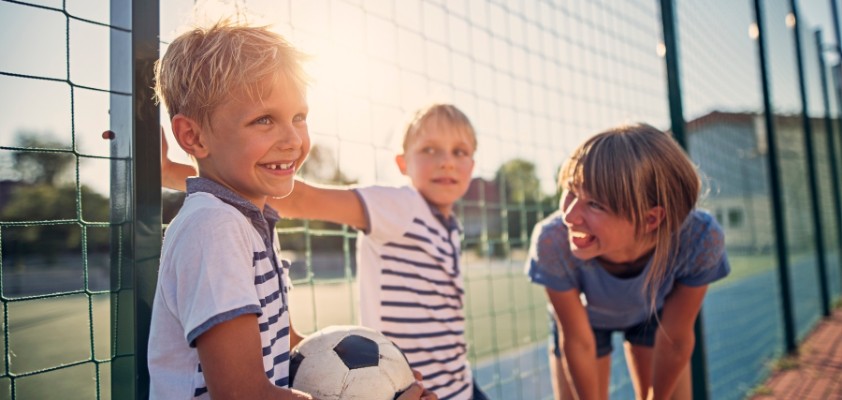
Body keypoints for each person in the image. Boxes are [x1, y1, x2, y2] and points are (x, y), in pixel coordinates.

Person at [148, 17, 433, 400]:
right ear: (193, 136)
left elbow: (285, 345)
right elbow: (243, 393)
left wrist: (383, 382)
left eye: (299, 117)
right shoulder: (213, 227)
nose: (293, 139)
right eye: (264, 119)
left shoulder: (248, 221)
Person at [162, 103, 485, 400]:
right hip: (405, 389)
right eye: (430, 149)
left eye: (460, 152)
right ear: (402, 163)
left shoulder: (450, 226)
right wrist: (172, 172)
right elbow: (301, 199)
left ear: (472, 165)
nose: (446, 161)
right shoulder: (401, 206)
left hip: (460, 384)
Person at [526, 123, 730, 400]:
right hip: (584, 323)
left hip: (653, 316)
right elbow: (577, 341)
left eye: (595, 204)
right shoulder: (552, 240)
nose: (569, 217)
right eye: (571, 192)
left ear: (650, 219)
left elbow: (676, 338)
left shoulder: (699, 238)